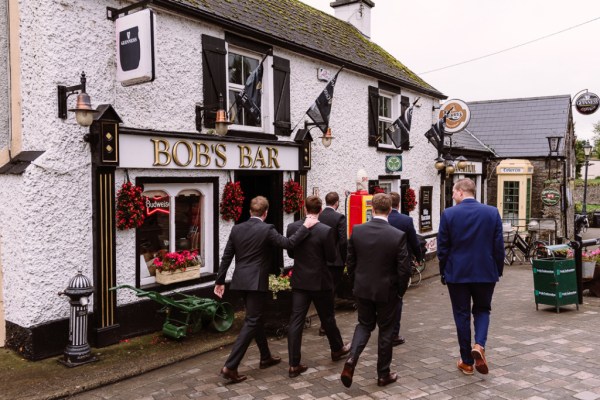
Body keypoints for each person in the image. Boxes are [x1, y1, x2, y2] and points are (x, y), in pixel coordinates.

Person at [214, 196, 318, 384]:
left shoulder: (237, 229)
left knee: (256, 318)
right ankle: (230, 366)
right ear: (266, 212)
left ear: (250, 211)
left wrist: (220, 280)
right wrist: (305, 227)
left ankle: (265, 356)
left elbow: (227, 255)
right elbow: (289, 244)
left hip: (239, 281)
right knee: (252, 320)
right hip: (256, 283)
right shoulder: (267, 229)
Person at [340, 193, 411, 388]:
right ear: (389, 210)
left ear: (372, 209)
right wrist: (400, 292)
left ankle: (352, 359)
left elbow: (351, 261)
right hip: (387, 291)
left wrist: (355, 284)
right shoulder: (397, 235)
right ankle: (383, 374)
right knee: (386, 331)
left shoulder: (358, 231)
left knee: (363, 325)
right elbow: (403, 269)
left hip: (363, 288)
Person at [437, 178, 504, 376]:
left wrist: (444, 271)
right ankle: (479, 345)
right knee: (483, 310)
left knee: (462, 314)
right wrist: (497, 270)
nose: (452, 196)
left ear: (460, 192)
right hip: (485, 272)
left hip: (457, 274)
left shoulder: (449, 214)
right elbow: (498, 246)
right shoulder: (492, 212)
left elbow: (442, 248)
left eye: (453, 193)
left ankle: (466, 361)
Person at [286, 196, 351, 378]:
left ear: (305, 209)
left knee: (296, 320)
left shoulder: (292, 227)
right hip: (320, 281)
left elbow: (291, 252)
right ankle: (337, 348)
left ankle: (293, 364)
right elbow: (331, 256)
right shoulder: (325, 230)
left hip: (300, 280)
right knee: (327, 317)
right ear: (320, 210)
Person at [388, 191, 424, 347]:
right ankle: (393, 334)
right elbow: (414, 241)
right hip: (400, 265)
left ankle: (384, 328)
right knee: (397, 299)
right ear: (399, 203)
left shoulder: (380, 219)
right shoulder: (406, 220)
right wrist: (420, 256)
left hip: (380, 265)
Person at [317, 191, 348, 336]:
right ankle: (326, 324)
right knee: (331, 291)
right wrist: (344, 258)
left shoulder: (319, 215)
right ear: (336, 203)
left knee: (323, 291)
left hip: (320, 259)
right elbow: (342, 241)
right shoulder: (339, 217)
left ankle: (325, 322)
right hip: (335, 261)